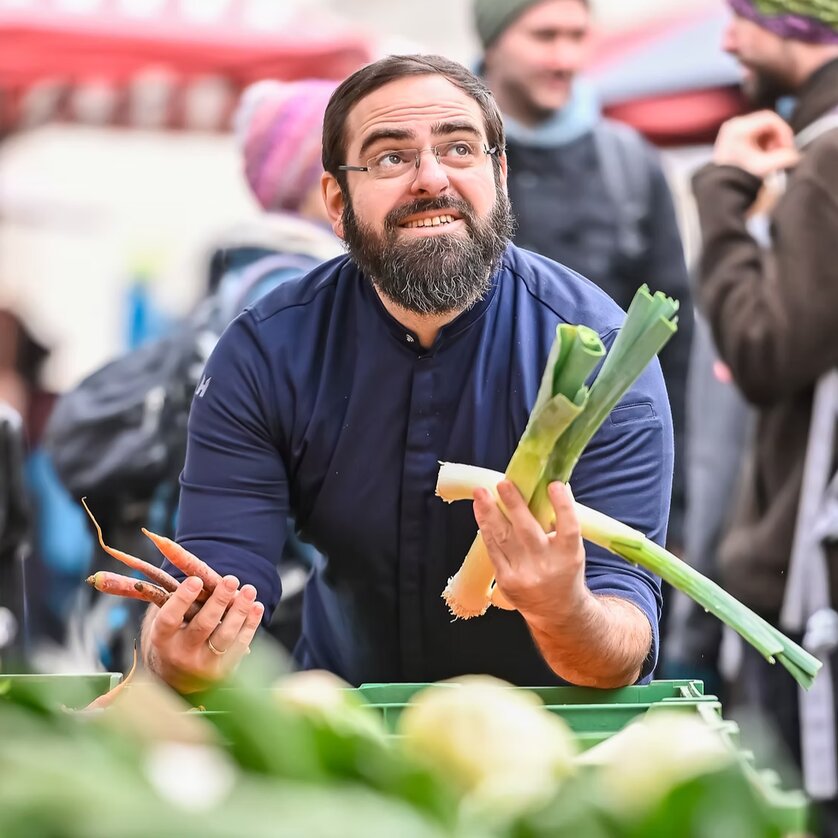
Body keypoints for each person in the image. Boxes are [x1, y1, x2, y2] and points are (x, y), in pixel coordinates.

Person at [140, 54, 674, 697]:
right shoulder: (265, 351)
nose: (431, 179)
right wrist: (180, 648)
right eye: (392, 156)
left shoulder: (604, 357)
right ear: (337, 201)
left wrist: (565, 611)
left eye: (458, 148)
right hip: (345, 732)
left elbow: (621, 643)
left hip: (553, 737)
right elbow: (219, 573)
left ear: (498, 175)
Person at [472, 0, 693, 555]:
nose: (564, 58)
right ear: (492, 41)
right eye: (544, 35)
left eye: (577, 36)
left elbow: (676, 349)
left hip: (599, 485)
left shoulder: (628, 164)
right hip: (469, 475)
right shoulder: (447, 158)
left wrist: (675, 497)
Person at [691, 1, 838, 831]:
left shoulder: (829, 164)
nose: (726, 37)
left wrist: (722, 194)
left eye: (745, 14)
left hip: (811, 587)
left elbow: (763, 348)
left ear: (803, 25)